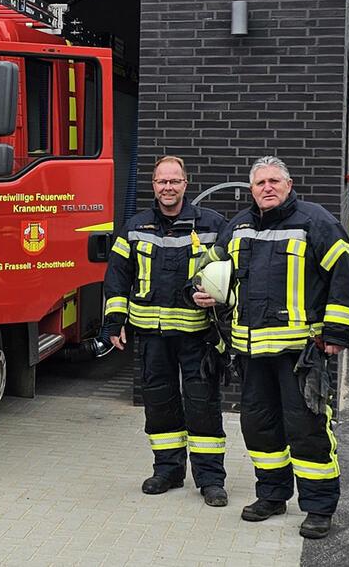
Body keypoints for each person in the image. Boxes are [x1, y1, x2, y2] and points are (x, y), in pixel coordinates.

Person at [217, 156, 349, 537]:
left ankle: (319, 506)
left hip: (301, 353)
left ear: (289, 185)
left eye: (275, 181)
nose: (267, 187)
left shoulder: (316, 222)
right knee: (259, 428)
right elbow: (214, 271)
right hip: (251, 353)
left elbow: (342, 276)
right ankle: (272, 495)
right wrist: (203, 292)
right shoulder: (238, 226)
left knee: (307, 427)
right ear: (251, 190)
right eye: (260, 182)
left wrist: (337, 334)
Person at [102, 155, 231, 506]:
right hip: (151, 336)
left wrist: (220, 301)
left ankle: (210, 480)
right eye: (162, 182)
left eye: (174, 181)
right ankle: (168, 471)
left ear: (185, 184)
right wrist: (114, 321)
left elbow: (231, 274)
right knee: (159, 405)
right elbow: (116, 278)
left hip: (197, 336)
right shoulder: (134, 227)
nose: (168, 187)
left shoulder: (213, 225)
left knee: (202, 405)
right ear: (154, 186)